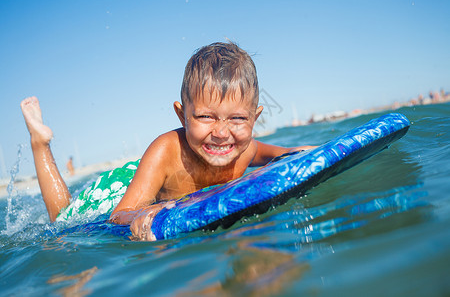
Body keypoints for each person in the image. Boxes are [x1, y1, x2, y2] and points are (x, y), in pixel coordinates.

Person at [20, 42, 315, 241]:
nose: (222, 133)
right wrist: (139, 215)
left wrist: (307, 153)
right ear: (181, 115)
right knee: (63, 222)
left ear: (254, 117)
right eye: (206, 117)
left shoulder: (245, 149)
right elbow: (117, 215)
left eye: (237, 119)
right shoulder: (166, 150)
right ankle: (40, 142)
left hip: (158, 193)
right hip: (124, 188)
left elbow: (284, 154)